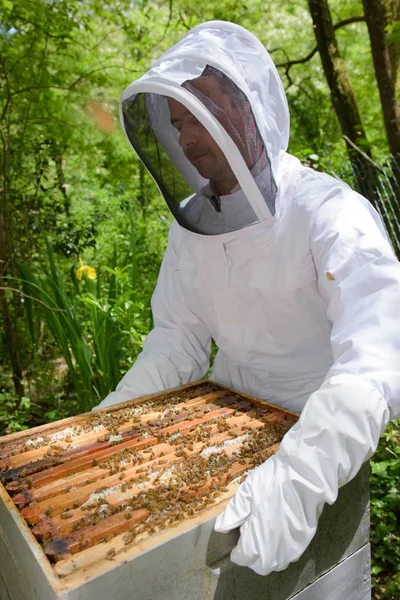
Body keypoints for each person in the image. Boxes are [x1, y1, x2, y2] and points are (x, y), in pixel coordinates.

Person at [95, 21, 400, 576]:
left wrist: (302, 476)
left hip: (320, 441)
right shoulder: (190, 225)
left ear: (249, 110)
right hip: (218, 431)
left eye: (201, 115)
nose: (187, 137)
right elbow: (176, 339)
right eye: (178, 121)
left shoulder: (331, 213)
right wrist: (110, 423)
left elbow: (378, 359)